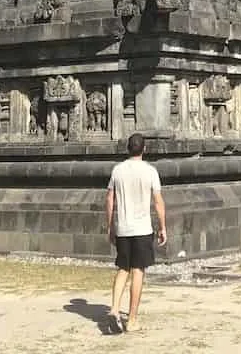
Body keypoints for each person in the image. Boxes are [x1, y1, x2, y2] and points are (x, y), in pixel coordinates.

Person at [104, 132, 167, 333]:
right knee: (138, 271)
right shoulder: (150, 171)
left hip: (123, 226)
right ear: (144, 149)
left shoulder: (118, 170)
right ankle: (132, 319)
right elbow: (158, 202)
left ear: (127, 149)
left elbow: (109, 200)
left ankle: (114, 309)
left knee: (123, 269)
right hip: (142, 228)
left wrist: (110, 225)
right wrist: (163, 226)